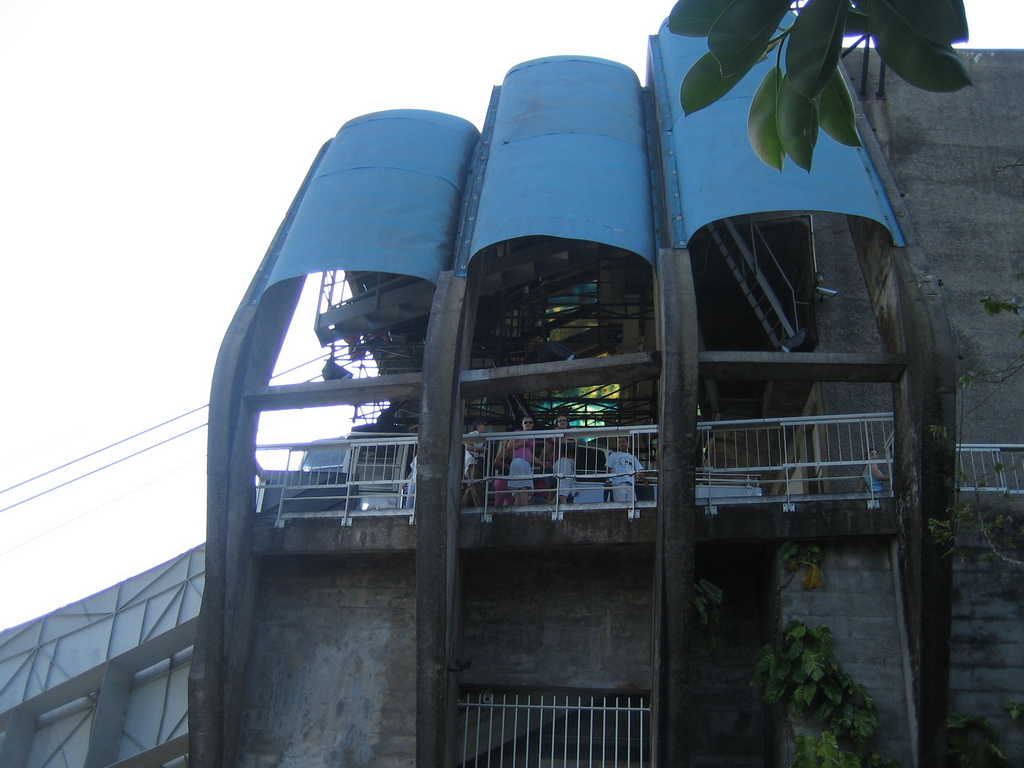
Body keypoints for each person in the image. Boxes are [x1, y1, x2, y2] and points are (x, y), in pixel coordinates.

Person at [606, 435, 644, 504]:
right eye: (619, 442)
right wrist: (609, 480)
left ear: (627, 443)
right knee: (621, 506)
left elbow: (640, 470)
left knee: (632, 506)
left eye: (623, 442)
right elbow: (608, 469)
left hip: (630, 484)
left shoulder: (632, 457)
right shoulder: (613, 455)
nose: (621, 444)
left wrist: (642, 478)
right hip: (618, 484)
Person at [553, 439, 577, 505]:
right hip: (568, 490)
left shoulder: (561, 462)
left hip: (564, 491)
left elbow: (555, 472)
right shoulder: (569, 462)